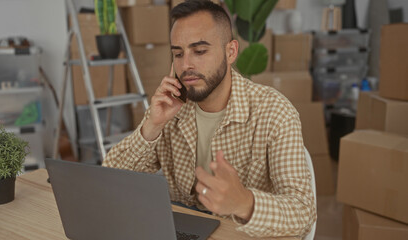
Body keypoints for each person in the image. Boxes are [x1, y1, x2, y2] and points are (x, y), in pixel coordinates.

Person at [103, 0, 316, 237]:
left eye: (200, 51)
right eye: (178, 53)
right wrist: (151, 127)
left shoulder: (275, 112)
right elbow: (109, 180)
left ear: (231, 51)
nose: (186, 65)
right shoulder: (169, 107)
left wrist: (245, 202)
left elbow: (303, 213)